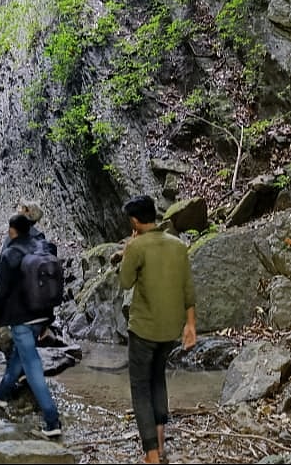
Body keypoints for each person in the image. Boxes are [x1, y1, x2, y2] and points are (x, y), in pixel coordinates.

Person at [116, 195, 197, 465]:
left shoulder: (138, 246)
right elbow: (188, 288)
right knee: (158, 379)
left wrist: (128, 250)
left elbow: (125, 282)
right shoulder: (178, 245)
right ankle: (160, 444)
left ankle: (151, 454)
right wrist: (191, 326)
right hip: (171, 330)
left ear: (135, 221)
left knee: (140, 387)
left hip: (144, 330)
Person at [0, 213, 62, 437]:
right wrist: (49, 319)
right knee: (20, 356)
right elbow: (49, 284)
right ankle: (1, 393)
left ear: (12, 231)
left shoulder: (10, 254)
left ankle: (52, 420)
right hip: (42, 314)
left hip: (21, 319)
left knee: (32, 365)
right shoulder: (44, 247)